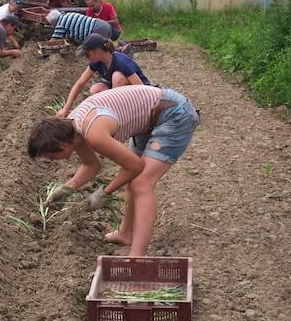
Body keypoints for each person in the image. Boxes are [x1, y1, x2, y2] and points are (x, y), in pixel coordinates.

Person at [26, 85, 200, 257]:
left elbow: (135, 166)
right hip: (150, 120)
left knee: (141, 183)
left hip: (173, 112)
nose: (52, 160)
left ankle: (137, 256)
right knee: (130, 179)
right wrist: (68, 188)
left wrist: (104, 192)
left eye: (51, 156)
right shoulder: (73, 129)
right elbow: (91, 165)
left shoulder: (92, 133)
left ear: (61, 144)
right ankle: (125, 233)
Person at [55, 33, 150, 118]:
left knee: (117, 77)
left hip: (140, 95)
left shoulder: (121, 62)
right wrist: (66, 108)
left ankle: (120, 114)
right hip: (121, 94)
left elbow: (141, 88)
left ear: (97, 51)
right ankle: (110, 112)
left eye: (87, 54)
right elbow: (80, 83)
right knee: (95, 89)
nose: (86, 58)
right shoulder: (97, 62)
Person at [46, 9, 111, 44]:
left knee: (103, 49)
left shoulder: (60, 24)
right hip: (103, 24)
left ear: (54, 21)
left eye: (52, 24)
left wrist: (42, 46)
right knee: (108, 45)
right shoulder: (67, 14)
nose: (54, 26)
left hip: (96, 29)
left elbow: (53, 40)